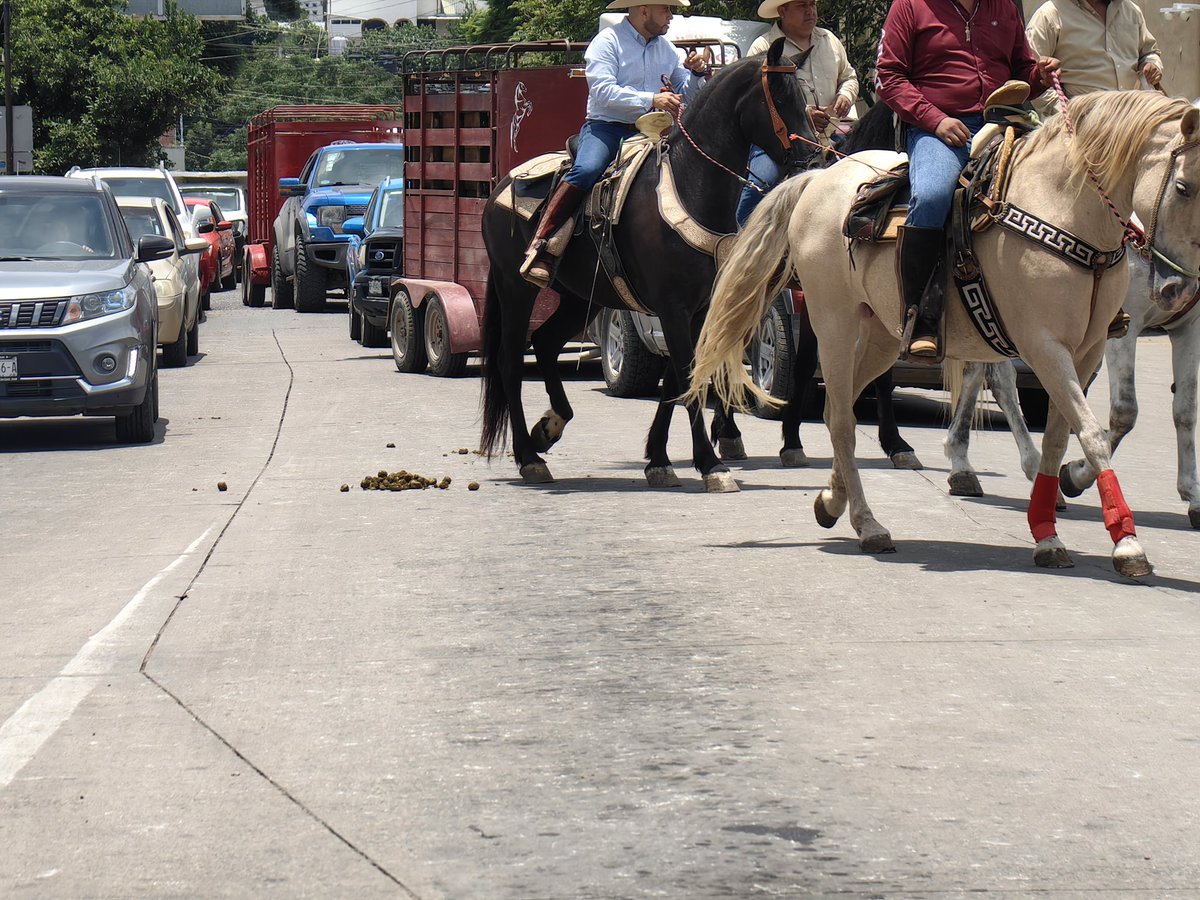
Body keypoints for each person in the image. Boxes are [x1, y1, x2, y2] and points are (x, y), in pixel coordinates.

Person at [876, 0, 1060, 357]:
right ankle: (920, 317)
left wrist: (1038, 75)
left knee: (1059, 178)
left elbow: (1021, 70)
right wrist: (935, 119)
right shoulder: (910, 6)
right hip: (938, 129)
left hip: (1003, 124)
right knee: (931, 195)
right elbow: (888, 77)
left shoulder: (1003, 5)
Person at [520, 0, 711, 288]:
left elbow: (688, 96)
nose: (671, 16)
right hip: (607, 129)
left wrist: (697, 75)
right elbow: (602, 91)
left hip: (656, 131)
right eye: (666, 9)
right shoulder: (606, 42)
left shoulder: (668, 50)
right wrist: (651, 99)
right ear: (643, 10)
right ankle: (543, 246)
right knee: (587, 169)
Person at [736, 0, 859, 225]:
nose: (810, 11)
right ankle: (739, 238)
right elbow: (753, 103)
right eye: (802, 5)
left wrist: (845, 95)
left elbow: (849, 76)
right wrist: (802, 116)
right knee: (761, 185)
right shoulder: (763, 47)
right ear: (782, 11)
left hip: (832, 136)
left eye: (812, 4)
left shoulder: (830, 40)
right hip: (779, 143)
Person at [1026, 0, 1163, 118]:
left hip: (1132, 116)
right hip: (1080, 126)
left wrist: (1151, 64)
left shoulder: (1131, 11)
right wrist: (1065, 112)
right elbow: (1032, 76)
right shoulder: (1049, 15)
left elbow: (1149, 52)